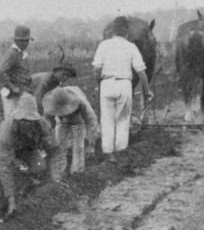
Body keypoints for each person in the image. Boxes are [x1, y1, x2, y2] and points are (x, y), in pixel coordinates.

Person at [0, 94, 62, 219]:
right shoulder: (7, 131)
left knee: (40, 167)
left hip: (28, 148)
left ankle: (29, 186)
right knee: (0, 168)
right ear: (17, 120)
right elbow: (5, 166)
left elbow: (55, 151)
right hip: (4, 149)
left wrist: (56, 180)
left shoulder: (43, 125)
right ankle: (8, 197)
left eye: (30, 121)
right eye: (24, 121)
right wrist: (12, 204)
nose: (27, 124)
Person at [91, 16, 153, 154]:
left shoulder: (103, 45)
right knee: (123, 122)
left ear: (112, 31)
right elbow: (142, 72)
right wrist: (147, 91)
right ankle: (121, 153)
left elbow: (96, 69)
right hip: (125, 84)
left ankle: (107, 153)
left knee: (107, 122)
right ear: (127, 32)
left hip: (106, 84)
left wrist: (99, 84)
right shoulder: (131, 46)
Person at [42, 85, 99, 176]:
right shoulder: (49, 107)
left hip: (78, 121)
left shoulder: (80, 102)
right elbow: (46, 126)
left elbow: (91, 121)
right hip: (61, 123)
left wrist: (91, 143)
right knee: (59, 147)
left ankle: (77, 174)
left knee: (78, 148)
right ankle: (60, 174)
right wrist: (47, 144)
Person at [0, 25, 35, 118]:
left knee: (22, 120)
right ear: (16, 41)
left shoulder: (21, 53)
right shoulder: (12, 53)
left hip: (22, 93)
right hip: (14, 95)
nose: (25, 43)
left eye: (26, 40)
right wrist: (12, 87)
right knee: (12, 121)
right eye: (22, 41)